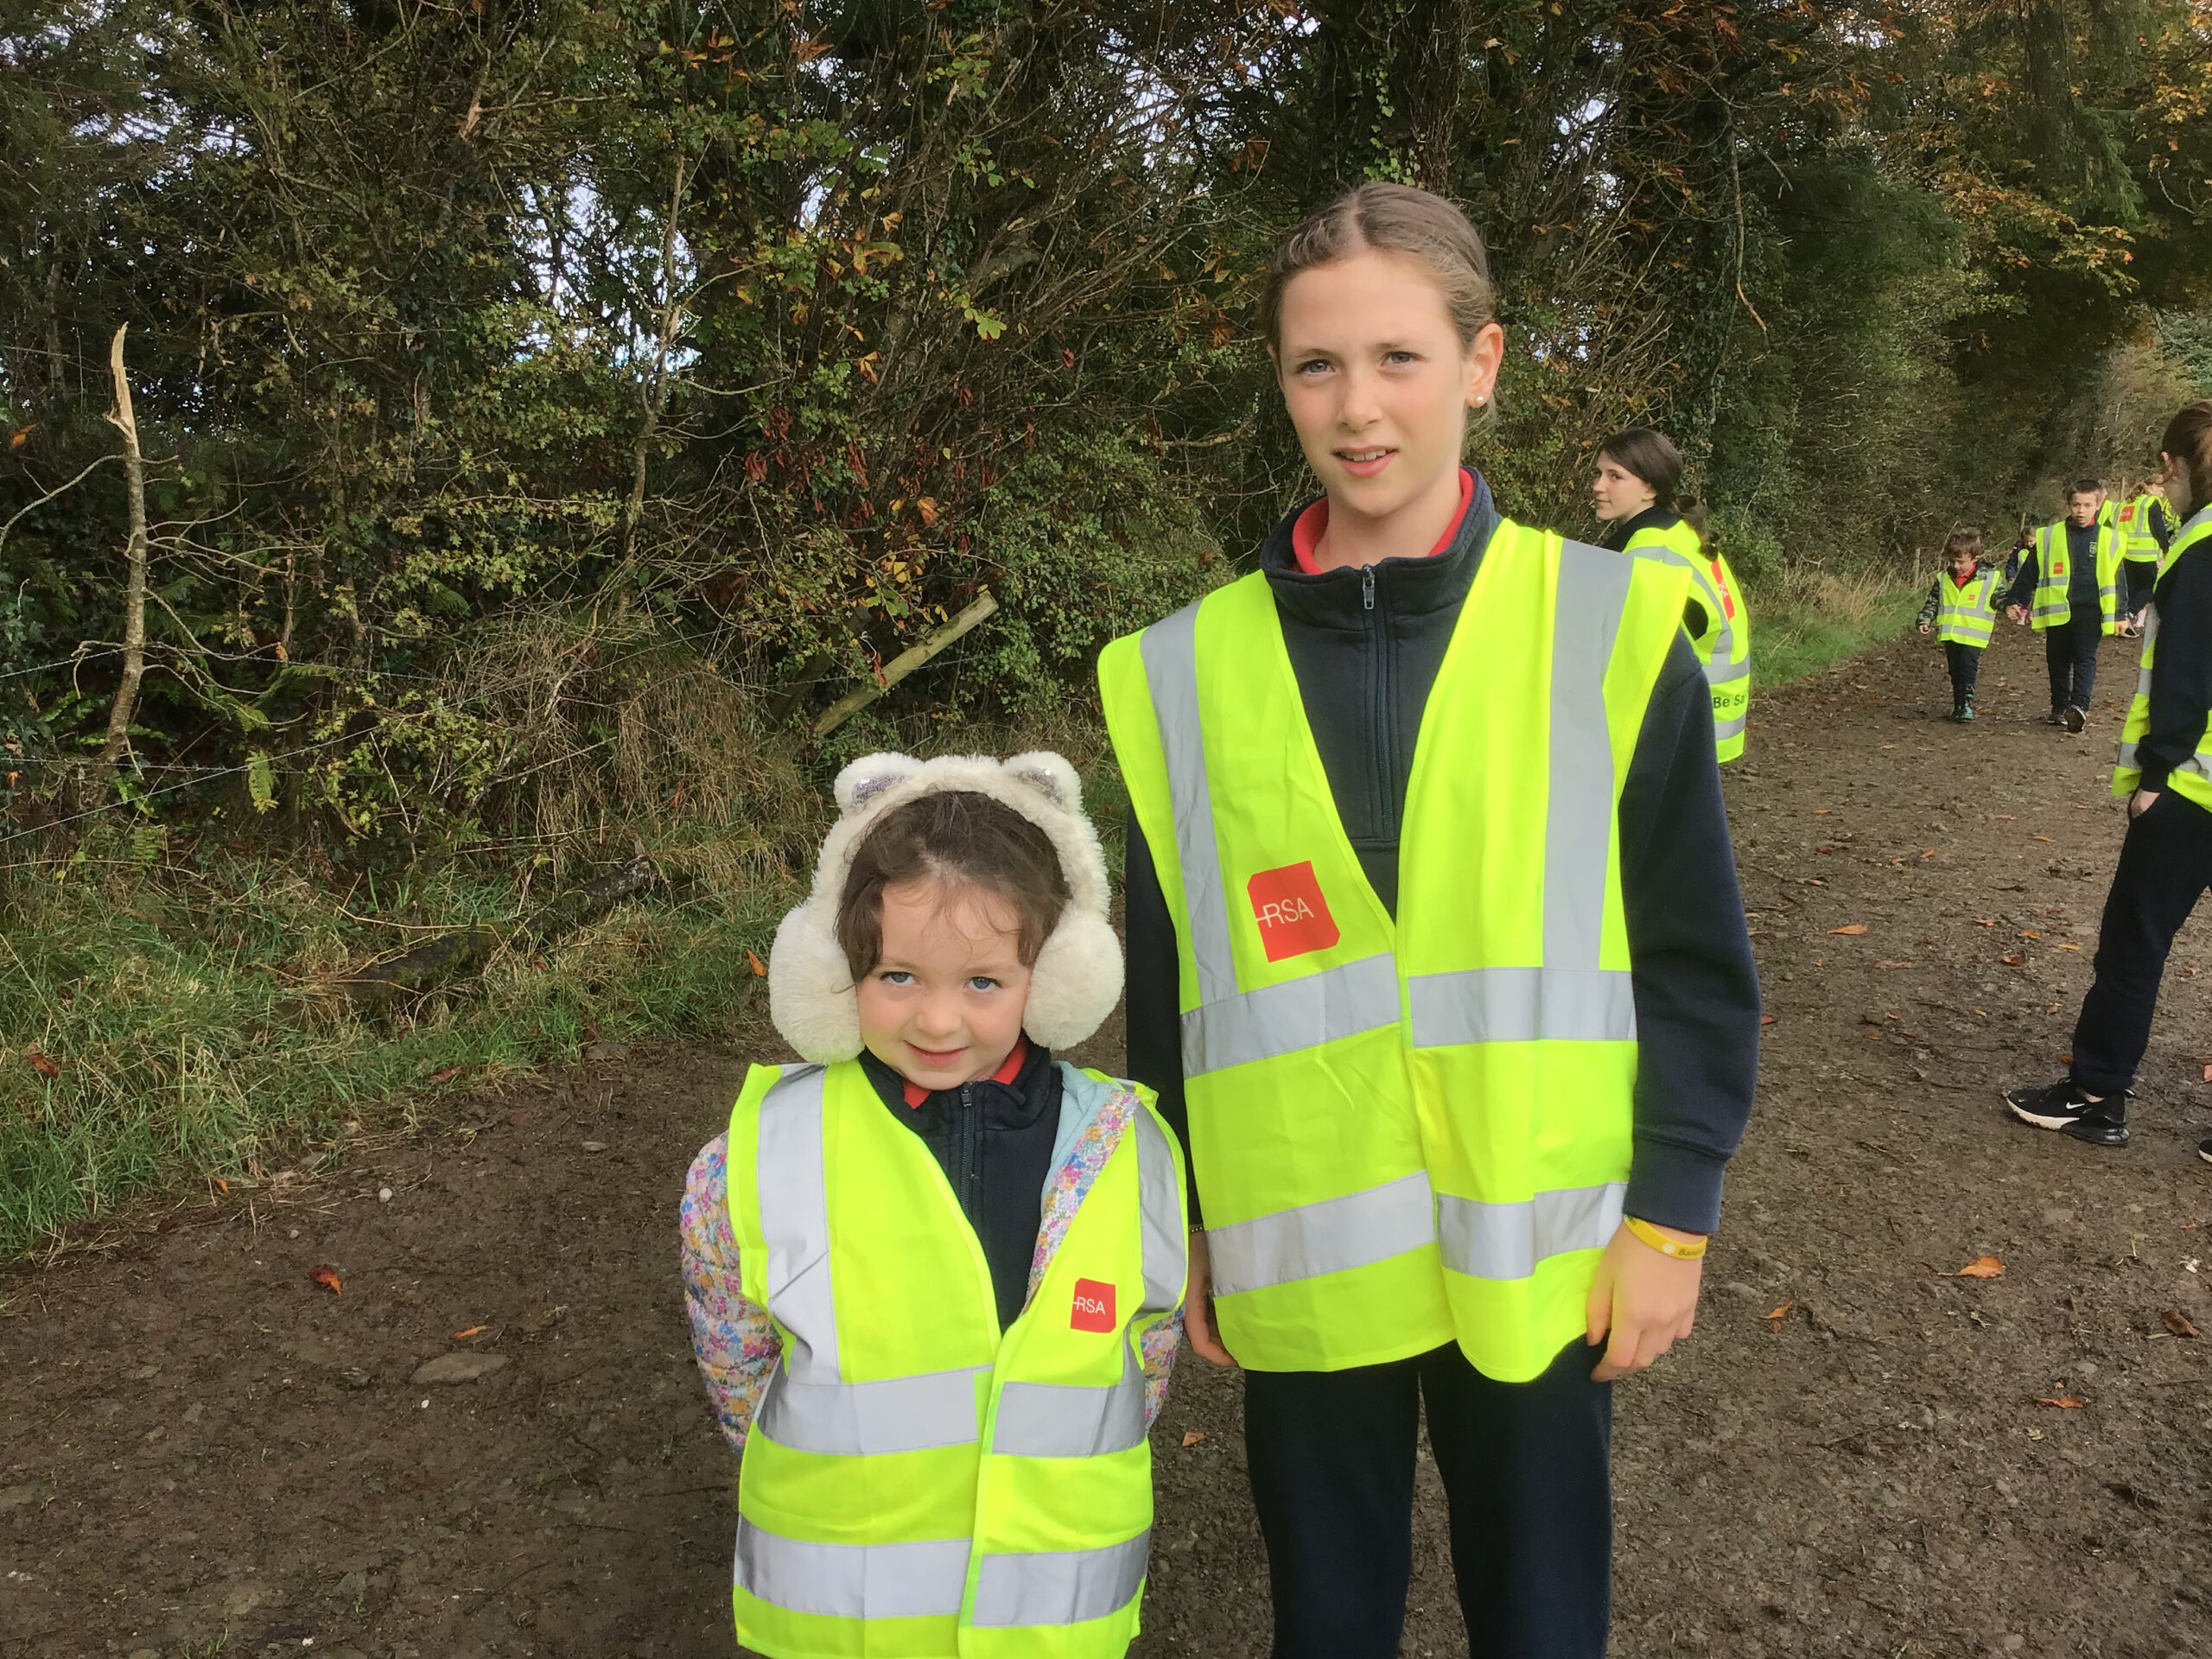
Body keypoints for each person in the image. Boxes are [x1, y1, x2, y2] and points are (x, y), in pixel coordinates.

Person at [1097, 182, 1761, 1659]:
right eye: (1316, 365)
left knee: (1541, 1620)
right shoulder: (1176, 672)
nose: (1357, 406)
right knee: (1328, 1622)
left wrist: (1672, 1215)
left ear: (1482, 361)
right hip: (1300, 1240)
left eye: (1398, 356)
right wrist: (1179, 1215)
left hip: (1540, 1245)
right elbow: (1170, 981)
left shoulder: (1608, 628)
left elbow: (1692, 959)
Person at [679, 751, 1186, 1658]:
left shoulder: (1129, 1148)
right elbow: (737, 1362)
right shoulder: (755, 1159)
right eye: (898, 977)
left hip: (1053, 1620)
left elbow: (1144, 1353)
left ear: (1056, 976)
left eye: (983, 982)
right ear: (836, 969)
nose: (938, 1021)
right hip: (843, 1627)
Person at [2003, 403, 2212, 1156]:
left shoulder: (2200, 547)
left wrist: (2156, 772)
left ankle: (2095, 1096)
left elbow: (2188, 676)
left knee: (2133, 945)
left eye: (2164, 469)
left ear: (2174, 466)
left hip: (2192, 791)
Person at [1589, 429, 1752, 762]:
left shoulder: (1648, 554)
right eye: (1598, 473)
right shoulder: (1677, 532)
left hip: (1684, 722)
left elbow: (1624, 654)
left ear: (1649, 488)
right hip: (1712, 713)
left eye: (1615, 476)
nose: (1598, 486)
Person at [2004, 477, 2125, 731]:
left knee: (2085, 657)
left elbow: (2119, 577)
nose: (2081, 511)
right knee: (2057, 660)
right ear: (2069, 504)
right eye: (2076, 505)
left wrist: (2121, 613)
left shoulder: (2110, 538)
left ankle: (2079, 706)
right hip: (2057, 608)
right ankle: (2059, 706)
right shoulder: (2049, 535)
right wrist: (2015, 600)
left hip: (2092, 609)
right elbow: (2030, 570)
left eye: (2087, 505)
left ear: (2099, 505)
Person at [1916, 527, 2004, 721]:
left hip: (1974, 635)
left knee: (1967, 668)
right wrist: (1925, 619)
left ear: (1975, 558)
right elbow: (1933, 602)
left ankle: (1966, 705)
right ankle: (1959, 705)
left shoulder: (1990, 578)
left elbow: (1999, 598)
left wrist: (2009, 607)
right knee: (1955, 670)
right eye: (1952, 561)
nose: (1956, 566)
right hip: (1950, 633)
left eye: (1961, 562)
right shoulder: (1944, 579)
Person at [2115, 475, 2177, 634]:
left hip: (2124, 554)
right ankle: (2129, 614)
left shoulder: (2124, 504)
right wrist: (2166, 549)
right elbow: (2159, 530)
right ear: (2152, 487)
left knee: (2132, 588)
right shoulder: (2150, 503)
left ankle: (2123, 618)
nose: (2163, 494)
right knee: (2151, 587)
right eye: (2161, 490)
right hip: (2144, 555)